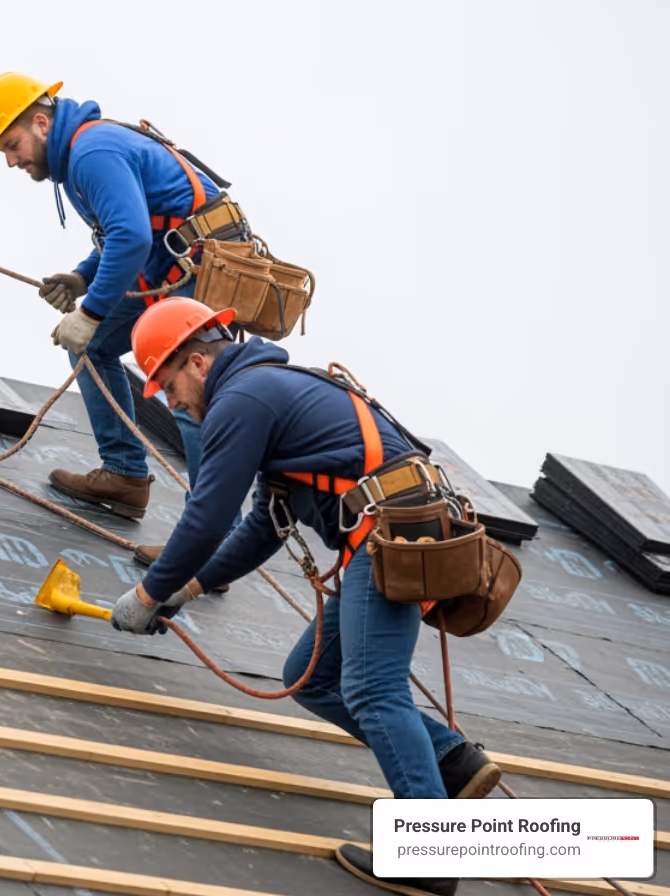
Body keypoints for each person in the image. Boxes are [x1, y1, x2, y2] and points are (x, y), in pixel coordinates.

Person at [108, 296, 501, 896]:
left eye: (165, 384)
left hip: (389, 538)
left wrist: (147, 592)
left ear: (195, 361)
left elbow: (208, 516)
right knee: (312, 676)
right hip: (399, 534)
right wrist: (185, 590)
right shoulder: (267, 393)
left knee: (372, 689)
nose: (172, 402)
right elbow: (264, 525)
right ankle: (451, 761)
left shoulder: (241, 401)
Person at [0, 71, 238, 523]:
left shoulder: (91, 153)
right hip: (179, 268)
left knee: (189, 386)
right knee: (92, 347)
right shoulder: (82, 153)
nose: (11, 162)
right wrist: (81, 278)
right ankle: (124, 475)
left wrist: (91, 310)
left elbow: (132, 239)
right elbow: (128, 233)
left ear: (41, 123)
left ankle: (214, 534)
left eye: (12, 146)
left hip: (201, 271)